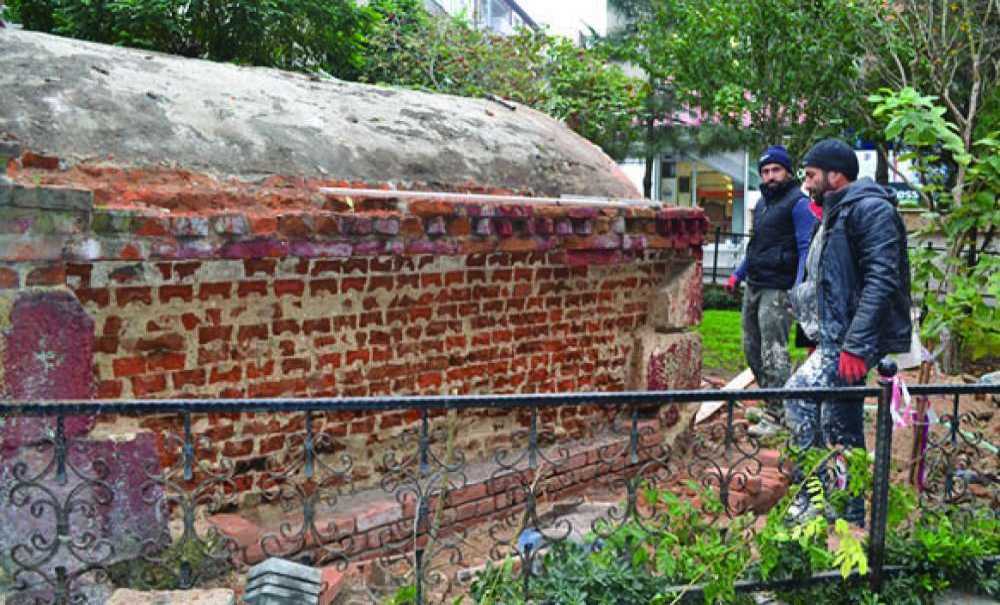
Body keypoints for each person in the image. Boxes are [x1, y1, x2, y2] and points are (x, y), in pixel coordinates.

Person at [784, 139, 913, 525]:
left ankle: (818, 497)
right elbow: (824, 284)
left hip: (854, 339)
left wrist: (855, 346)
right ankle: (844, 508)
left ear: (836, 175)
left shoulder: (870, 210)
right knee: (838, 418)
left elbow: (882, 279)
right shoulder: (836, 213)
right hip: (835, 337)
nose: (806, 183)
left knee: (801, 398)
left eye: (811, 175)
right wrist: (814, 339)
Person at [727, 146, 818, 434]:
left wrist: (798, 286)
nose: (770, 176)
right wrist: (738, 274)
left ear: (788, 172)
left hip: (779, 288)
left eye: (776, 170)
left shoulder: (798, 204)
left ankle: (778, 415)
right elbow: (756, 246)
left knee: (773, 351)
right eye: (765, 171)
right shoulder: (762, 204)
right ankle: (773, 402)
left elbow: (806, 249)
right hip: (755, 283)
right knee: (751, 347)